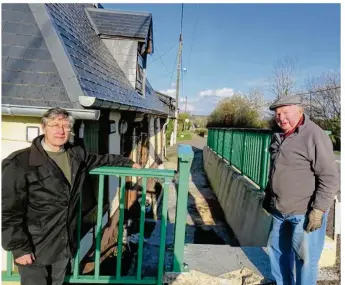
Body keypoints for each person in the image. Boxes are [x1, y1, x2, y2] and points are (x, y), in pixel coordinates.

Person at [2, 107, 141, 285]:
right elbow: (9, 211)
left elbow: (100, 160)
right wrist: (19, 248)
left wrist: (127, 162)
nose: (60, 131)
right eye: (55, 125)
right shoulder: (19, 163)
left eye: (66, 126)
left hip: (64, 242)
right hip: (35, 245)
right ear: (44, 127)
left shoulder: (75, 154)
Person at [262, 95, 339, 285]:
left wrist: (319, 210)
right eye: (277, 114)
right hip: (280, 210)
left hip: (305, 212)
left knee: (305, 260)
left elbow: (329, 177)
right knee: (277, 253)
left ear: (300, 111)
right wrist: (268, 196)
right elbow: (276, 170)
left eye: (285, 112)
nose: (281, 118)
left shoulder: (315, 135)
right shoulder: (279, 135)